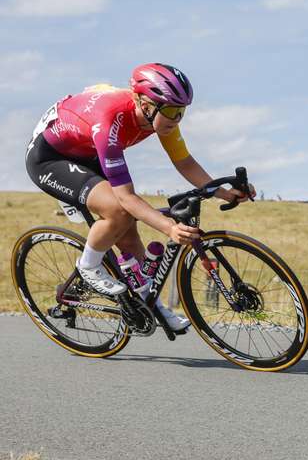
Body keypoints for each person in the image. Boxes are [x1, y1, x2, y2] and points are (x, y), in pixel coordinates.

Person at [25, 63, 255, 331]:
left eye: (182, 111)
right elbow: (126, 199)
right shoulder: (110, 119)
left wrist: (222, 192)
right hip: (50, 158)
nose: (177, 117)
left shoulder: (162, 117)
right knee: (119, 211)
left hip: (87, 152)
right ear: (145, 104)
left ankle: (151, 306)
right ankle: (88, 267)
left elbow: (185, 163)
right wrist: (170, 227)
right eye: (171, 110)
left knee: (129, 235)